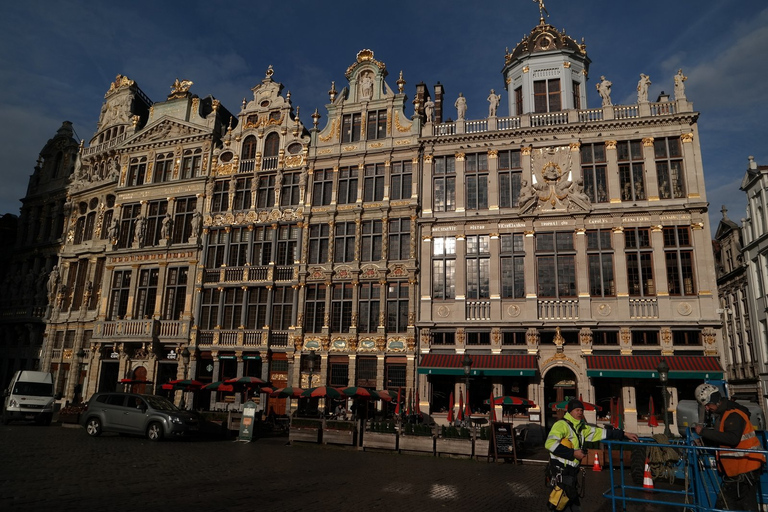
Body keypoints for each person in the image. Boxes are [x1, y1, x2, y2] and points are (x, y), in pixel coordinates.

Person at [545, 399, 639, 511]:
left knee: (567, 506)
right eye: (577, 410)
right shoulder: (561, 425)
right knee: (563, 506)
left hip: (571, 476)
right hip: (560, 474)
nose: (580, 412)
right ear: (570, 412)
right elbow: (549, 443)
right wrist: (573, 453)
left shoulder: (582, 428)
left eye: (581, 410)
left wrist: (624, 434)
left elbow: (602, 433)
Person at [694, 383, 765, 511]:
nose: (708, 409)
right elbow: (723, 438)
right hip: (743, 469)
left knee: (725, 505)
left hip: (744, 469)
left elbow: (732, 438)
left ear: (714, 401)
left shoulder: (733, 415)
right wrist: (703, 442)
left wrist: (703, 432)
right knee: (745, 505)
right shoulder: (725, 414)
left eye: (708, 405)